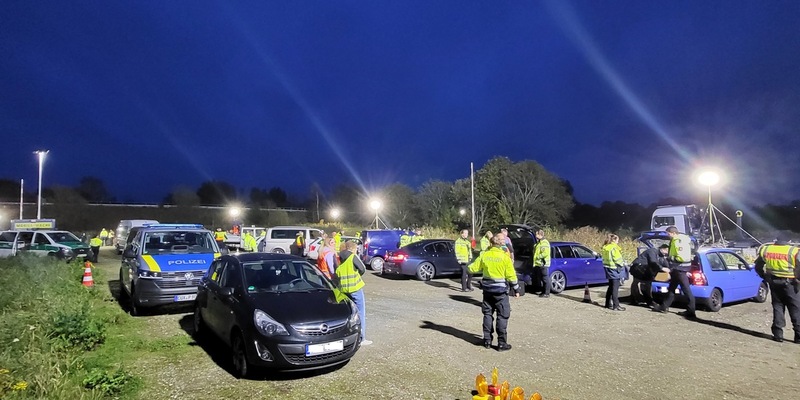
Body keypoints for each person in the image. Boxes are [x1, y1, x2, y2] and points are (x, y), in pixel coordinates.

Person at [468, 232, 520, 351]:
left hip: (487, 290)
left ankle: (487, 340)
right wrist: (516, 288)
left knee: (487, 314)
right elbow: (511, 275)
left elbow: (473, 268)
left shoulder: (485, 255)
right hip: (501, 291)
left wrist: (466, 267)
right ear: (501, 244)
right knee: (502, 316)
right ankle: (501, 343)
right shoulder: (505, 257)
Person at [754, 237, 800, 343]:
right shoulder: (793, 251)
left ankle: (778, 334)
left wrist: (764, 276)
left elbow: (758, 266)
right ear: (788, 241)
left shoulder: (767, 249)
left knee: (778, 307)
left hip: (774, 282)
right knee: (795, 308)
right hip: (791, 284)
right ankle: (798, 336)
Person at [656, 226, 696, 319]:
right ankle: (664, 306)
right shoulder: (681, 240)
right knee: (672, 288)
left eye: (668, 233)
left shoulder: (678, 241)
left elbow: (681, 257)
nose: (667, 235)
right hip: (679, 268)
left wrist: (670, 258)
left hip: (680, 268)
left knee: (686, 290)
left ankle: (691, 311)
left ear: (673, 233)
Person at [336, 241, 372, 345]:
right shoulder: (352, 257)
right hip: (355, 288)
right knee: (360, 312)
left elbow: (337, 272)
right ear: (352, 249)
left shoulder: (340, 258)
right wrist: (357, 274)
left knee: (349, 313)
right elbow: (362, 269)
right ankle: (361, 338)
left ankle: (347, 336)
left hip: (344, 289)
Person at [601, 234, 627, 311]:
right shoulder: (614, 248)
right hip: (615, 269)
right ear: (614, 240)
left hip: (608, 268)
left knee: (610, 287)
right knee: (615, 288)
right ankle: (616, 305)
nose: (618, 242)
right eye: (617, 240)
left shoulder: (605, 247)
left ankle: (607, 303)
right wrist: (622, 264)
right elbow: (617, 259)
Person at [532, 230, 551, 297]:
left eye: (536, 234)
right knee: (542, 279)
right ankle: (543, 292)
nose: (535, 236)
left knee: (545, 279)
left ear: (540, 235)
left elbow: (545, 253)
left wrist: (538, 257)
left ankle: (547, 293)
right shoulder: (539, 243)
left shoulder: (544, 243)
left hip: (543, 264)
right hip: (539, 264)